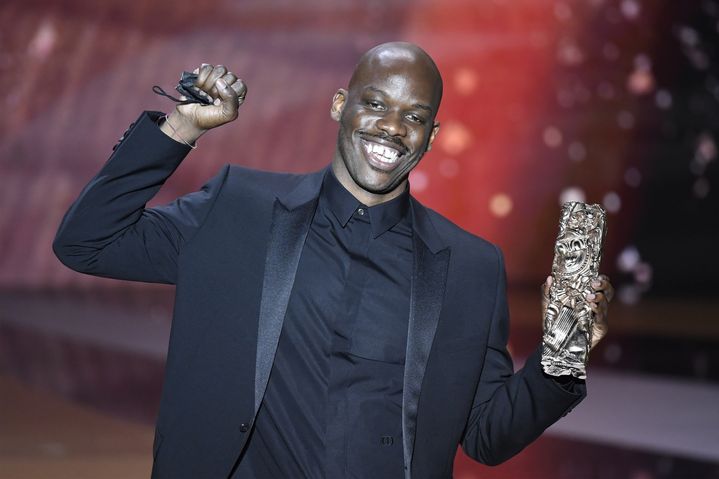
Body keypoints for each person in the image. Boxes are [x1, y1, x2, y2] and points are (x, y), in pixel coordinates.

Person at [53, 42, 614, 479]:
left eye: (414, 116)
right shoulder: (239, 210)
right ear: (340, 106)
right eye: (375, 103)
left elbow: (488, 436)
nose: (392, 128)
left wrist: (563, 356)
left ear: (432, 135)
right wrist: (182, 128)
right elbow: (86, 243)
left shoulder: (471, 268)